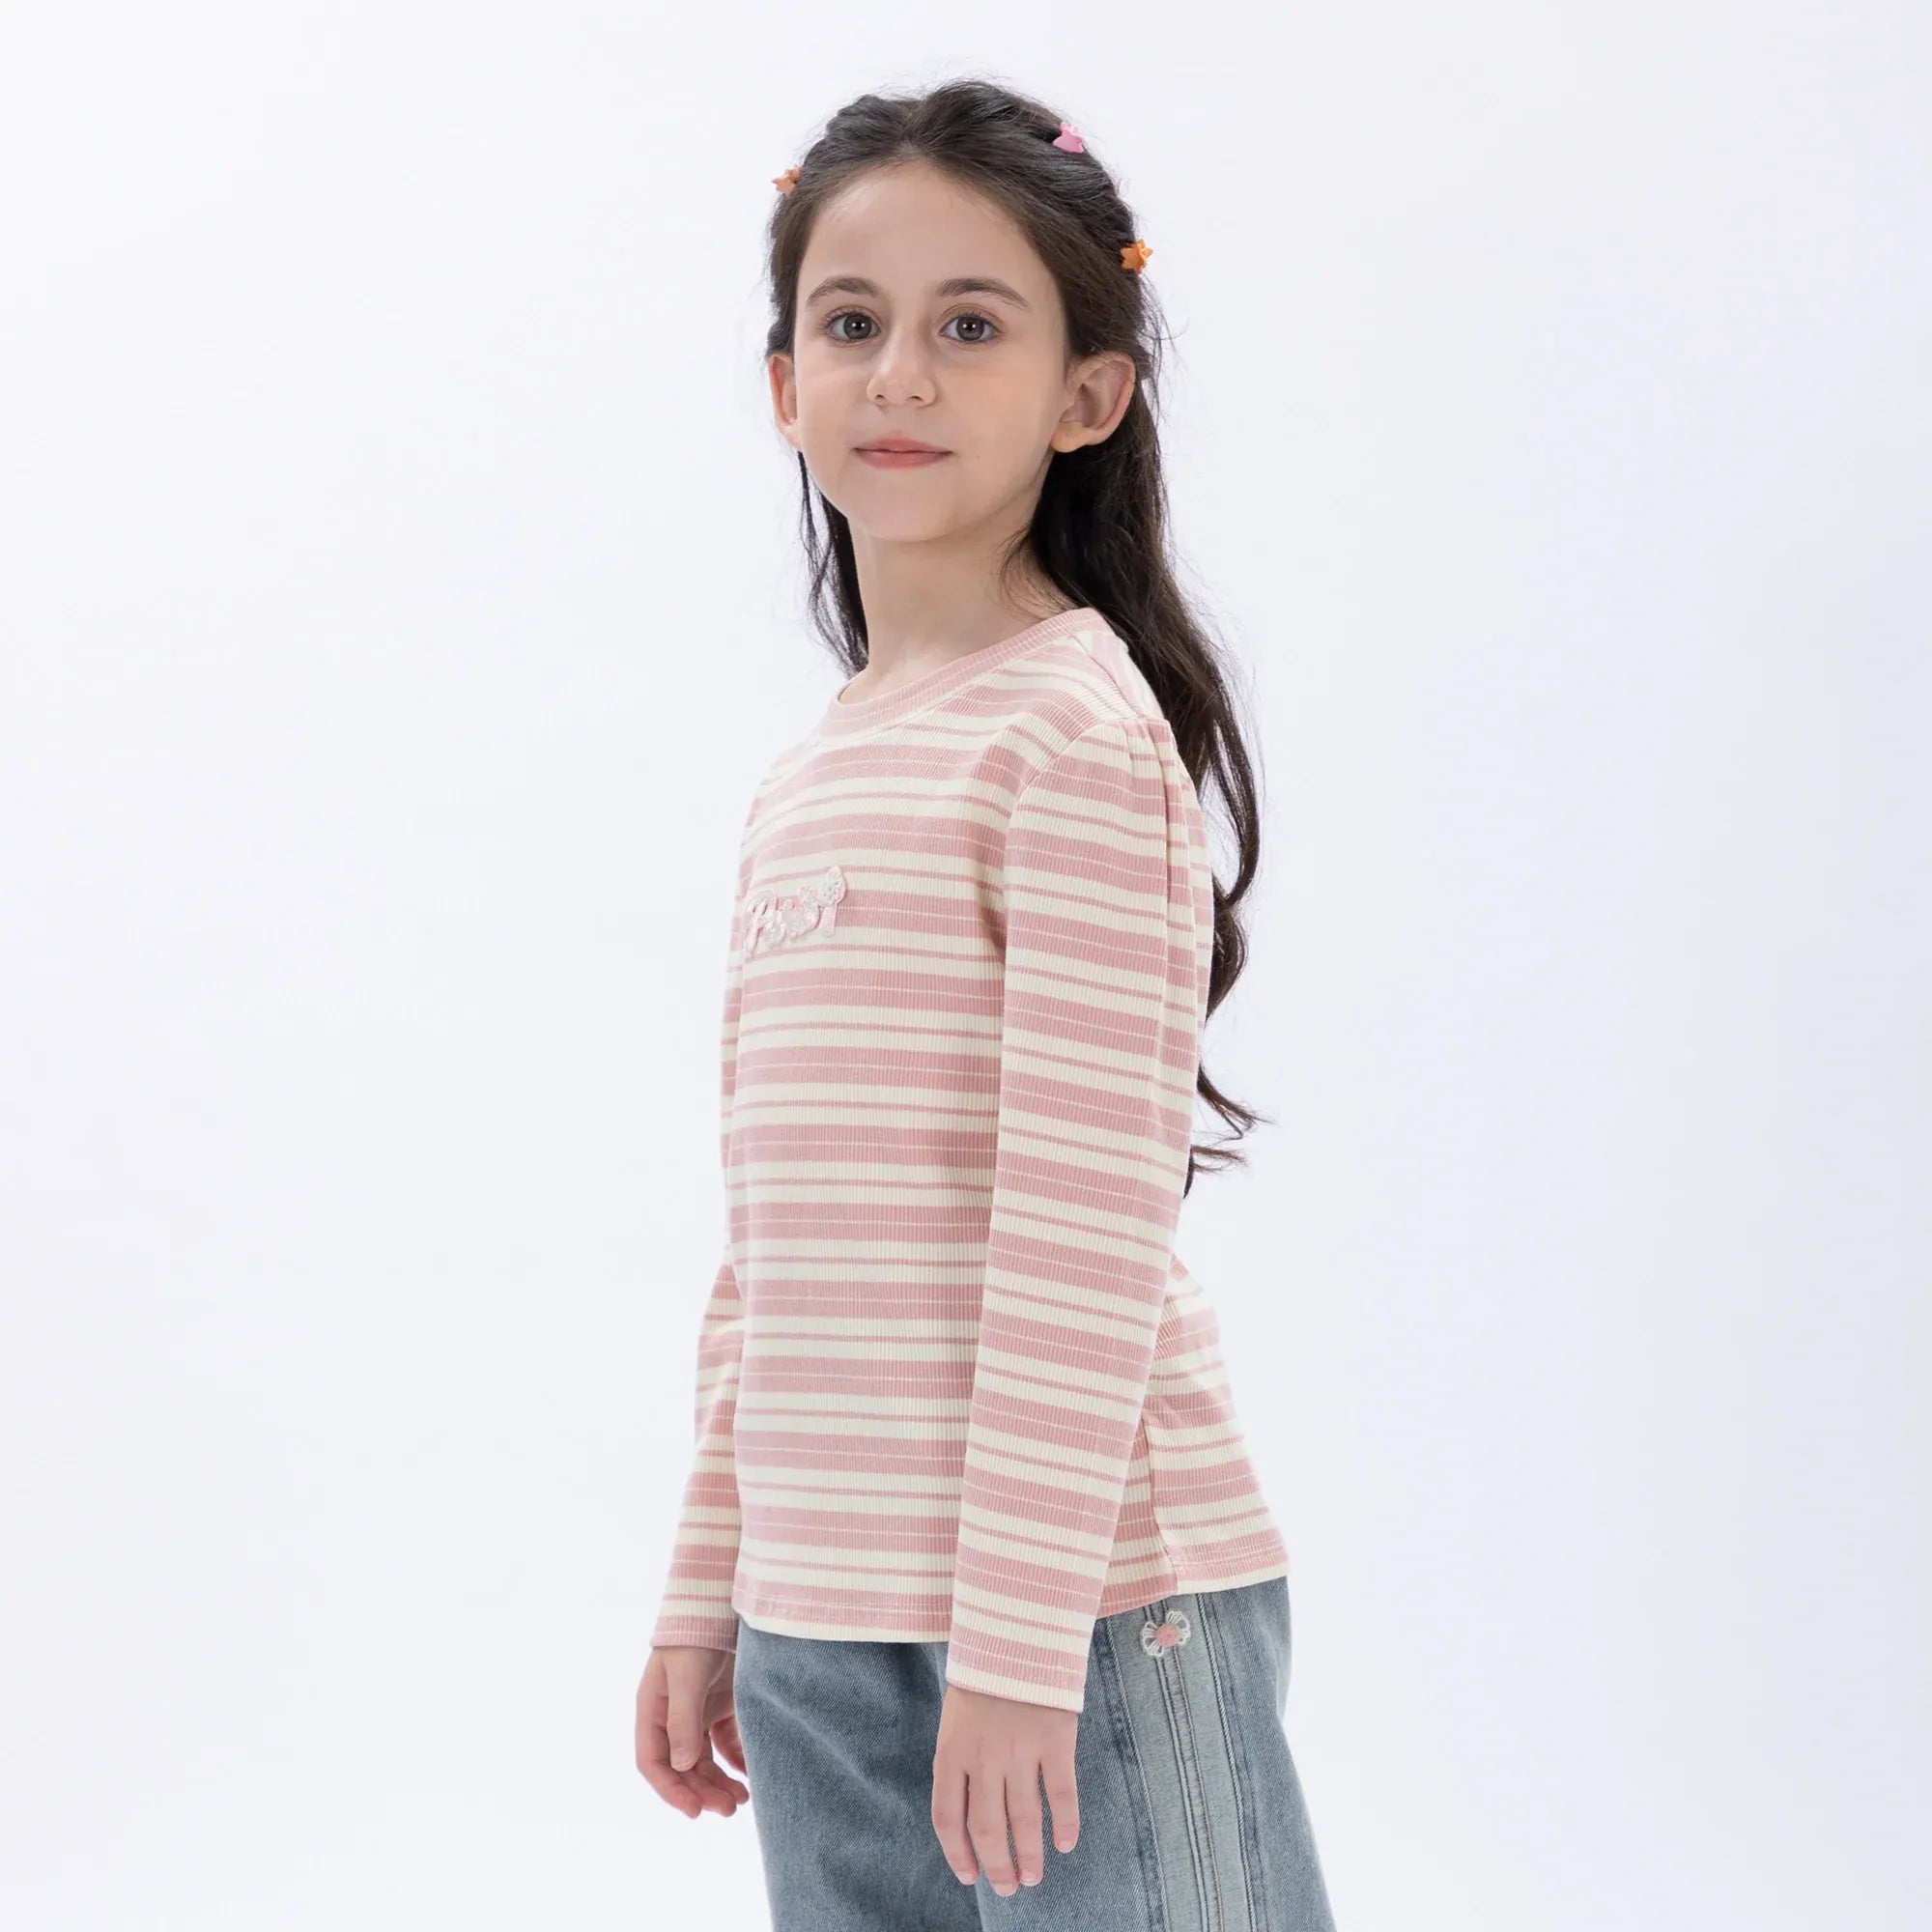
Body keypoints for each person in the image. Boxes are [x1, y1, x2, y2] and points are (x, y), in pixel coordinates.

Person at [634, 76, 1338, 1930]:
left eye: (971, 327)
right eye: (850, 323)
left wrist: (1019, 1646)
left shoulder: (1075, 740)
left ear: (1087, 395)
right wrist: (710, 1585)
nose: (900, 376)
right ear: (782, 382)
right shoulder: (810, 777)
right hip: (820, 1616)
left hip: (1082, 1614)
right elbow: (776, 1247)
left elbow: (1082, 1231)